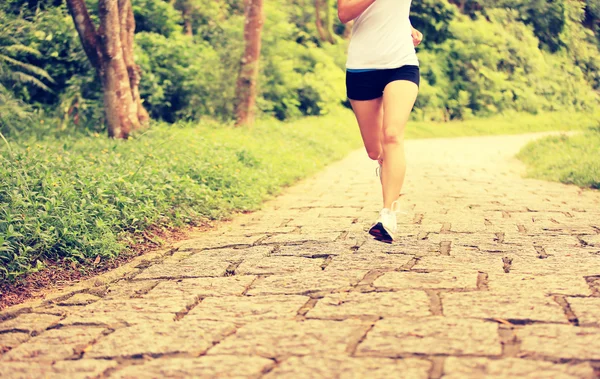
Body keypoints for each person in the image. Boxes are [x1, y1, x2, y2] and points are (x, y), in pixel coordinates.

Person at [338, 0, 423, 243]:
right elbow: (344, 13)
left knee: (393, 134)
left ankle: (388, 214)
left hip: (402, 63)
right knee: (375, 150)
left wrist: (407, 26)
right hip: (361, 68)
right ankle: (389, 172)